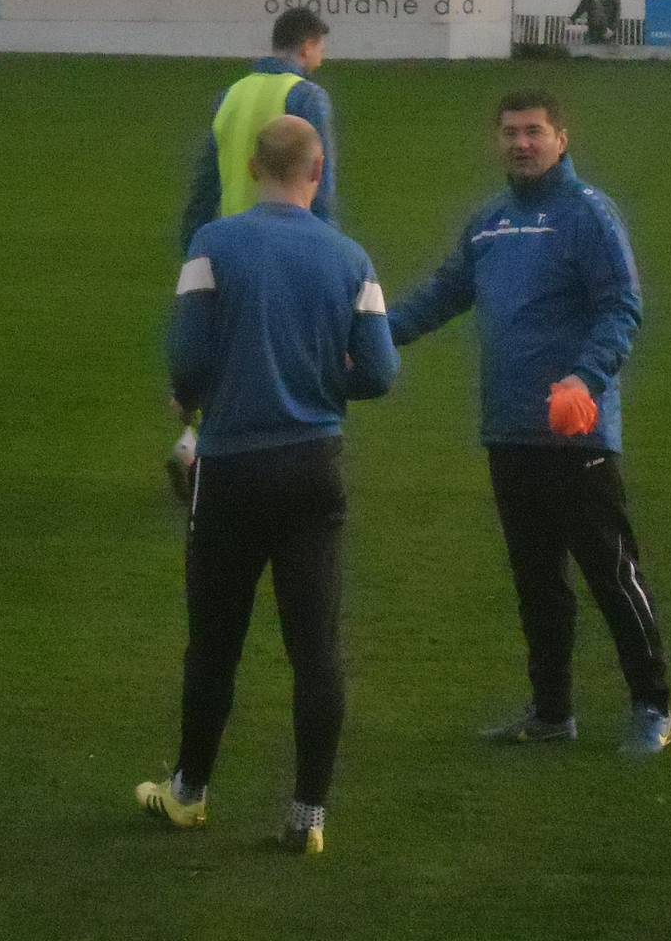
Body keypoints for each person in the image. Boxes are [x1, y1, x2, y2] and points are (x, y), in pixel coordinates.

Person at [137, 115, 399, 853]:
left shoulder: (212, 244)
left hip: (231, 467)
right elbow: (381, 372)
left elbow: (187, 358)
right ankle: (308, 816)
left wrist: (195, 392)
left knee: (213, 644)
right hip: (313, 467)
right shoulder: (351, 257)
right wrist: (324, 380)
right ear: (317, 172)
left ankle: (189, 793)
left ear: (254, 168)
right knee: (315, 649)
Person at [386, 89, 671, 754]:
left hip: (576, 433)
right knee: (537, 581)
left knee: (611, 572)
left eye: (534, 132)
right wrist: (377, 332)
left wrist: (585, 377)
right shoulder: (488, 222)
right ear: (498, 141)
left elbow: (622, 307)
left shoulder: (588, 215)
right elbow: (444, 293)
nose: (522, 143)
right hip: (509, 429)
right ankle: (551, 711)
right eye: (511, 132)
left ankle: (653, 705)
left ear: (560, 138)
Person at [168, 7, 338, 500]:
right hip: (286, 244)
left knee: (223, 348)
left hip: (225, 245)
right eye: (320, 49)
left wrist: (194, 251)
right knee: (278, 355)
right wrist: (328, 252)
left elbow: (204, 182)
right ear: (306, 45)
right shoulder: (307, 97)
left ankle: (193, 447)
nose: (321, 59)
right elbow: (320, 182)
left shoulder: (230, 95)